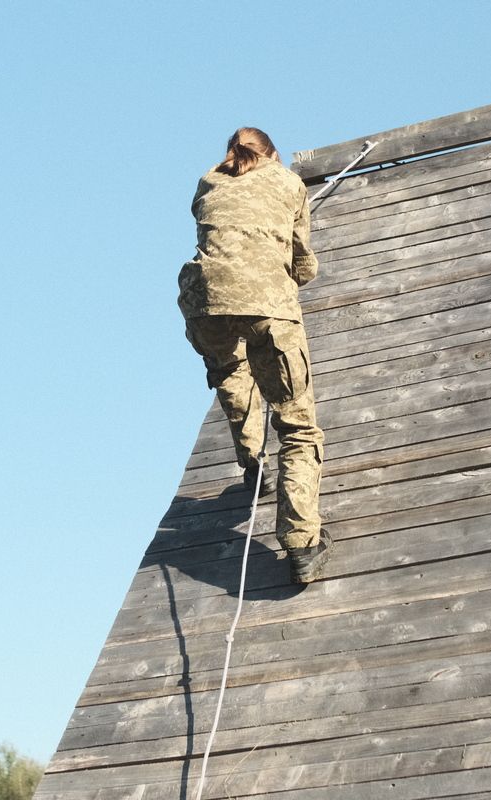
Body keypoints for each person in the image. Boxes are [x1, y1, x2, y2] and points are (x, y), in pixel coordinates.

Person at [177, 127, 331, 584]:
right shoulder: (288, 182)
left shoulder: (209, 181)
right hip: (267, 304)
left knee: (229, 369)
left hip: (204, 302)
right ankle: (302, 544)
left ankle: (254, 465)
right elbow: (302, 261)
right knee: (298, 426)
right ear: (275, 154)